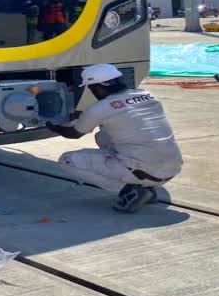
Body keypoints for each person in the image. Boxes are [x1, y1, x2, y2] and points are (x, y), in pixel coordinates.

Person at [47, 63, 183, 213]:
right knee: (103, 135)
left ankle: (132, 191)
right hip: (172, 166)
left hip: (143, 169)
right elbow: (120, 111)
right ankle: (146, 186)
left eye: (91, 88)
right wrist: (84, 114)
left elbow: (74, 133)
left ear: (98, 87)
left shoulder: (99, 109)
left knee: (67, 160)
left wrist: (54, 126)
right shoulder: (146, 94)